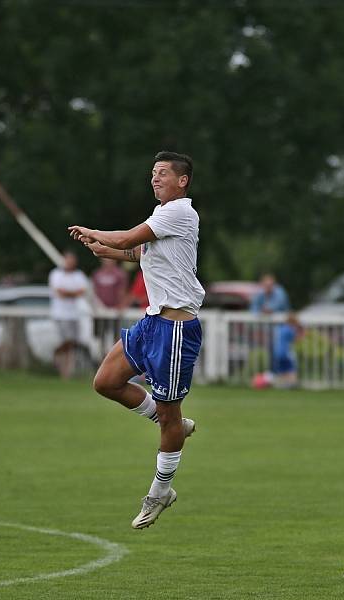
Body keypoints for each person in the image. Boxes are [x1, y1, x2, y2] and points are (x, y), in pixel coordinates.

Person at [68, 151, 204, 529]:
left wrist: (97, 232)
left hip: (176, 331)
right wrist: (105, 250)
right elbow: (138, 250)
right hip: (151, 322)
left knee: (169, 418)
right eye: (153, 173)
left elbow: (129, 236)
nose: (155, 178)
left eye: (163, 173)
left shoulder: (179, 212)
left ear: (183, 181)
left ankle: (161, 492)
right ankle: (171, 422)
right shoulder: (163, 218)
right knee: (106, 382)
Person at [48, 251, 89, 378]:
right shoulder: (56, 274)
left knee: (71, 344)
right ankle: (61, 367)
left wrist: (68, 293)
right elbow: (59, 292)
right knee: (64, 343)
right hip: (60, 314)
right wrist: (73, 293)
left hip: (74, 315)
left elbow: (82, 291)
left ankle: (68, 370)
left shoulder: (79, 275)